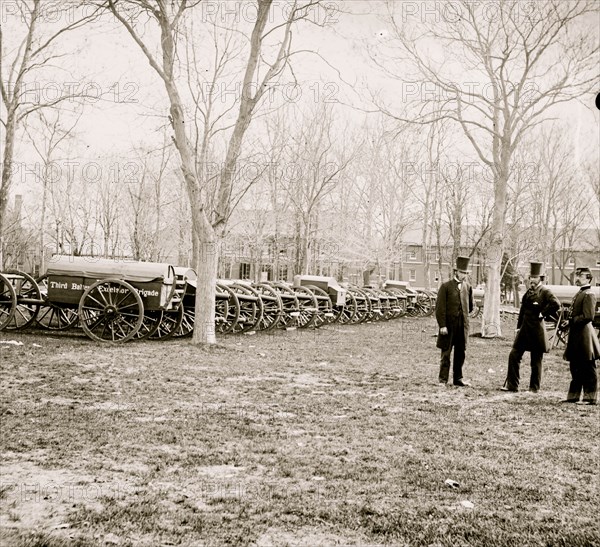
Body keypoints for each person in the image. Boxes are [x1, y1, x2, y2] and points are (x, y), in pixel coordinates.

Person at [502, 261, 560, 393]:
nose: (532, 280)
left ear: (541, 278)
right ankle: (512, 385)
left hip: (536, 331)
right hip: (524, 330)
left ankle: (534, 388)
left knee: (536, 360)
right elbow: (522, 311)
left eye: (535, 277)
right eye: (531, 277)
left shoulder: (545, 292)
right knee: (514, 355)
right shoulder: (528, 292)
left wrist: (542, 313)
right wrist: (518, 327)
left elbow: (556, 304)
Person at [562, 266, 600, 405]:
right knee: (575, 367)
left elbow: (588, 316)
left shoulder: (589, 294)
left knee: (587, 367)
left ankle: (590, 398)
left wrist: (572, 320)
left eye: (581, 276)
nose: (577, 278)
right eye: (577, 275)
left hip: (584, 336)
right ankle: (573, 396)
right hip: (577, 335)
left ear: (588, 278)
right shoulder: (581, 293)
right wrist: (569, 322)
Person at [435, 256, 474, 386]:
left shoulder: (468, 287)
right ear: (456, 271)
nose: (464, 275)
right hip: (448, 326)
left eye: (466, 273)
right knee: (446, 353)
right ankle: (443, 379)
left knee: (460, 352)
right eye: (462, 272)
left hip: (462, 326)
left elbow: (470, 307)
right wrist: (442, 325)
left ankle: (458, 378)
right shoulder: (445, 287)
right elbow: (440, 308)